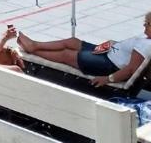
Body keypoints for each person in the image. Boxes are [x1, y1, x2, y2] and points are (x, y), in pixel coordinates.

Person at [18, 12, 151, 88]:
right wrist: (111, 44)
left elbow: (130, 70)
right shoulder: (146, 37)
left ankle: (32, 51)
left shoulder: (146, 45)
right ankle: (34, 45)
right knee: (72, 41)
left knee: (66, 55)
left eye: (148, 23)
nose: (144, 24)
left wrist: (108, 79)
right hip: (107, 53)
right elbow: (125, 50)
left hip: (108, 65)